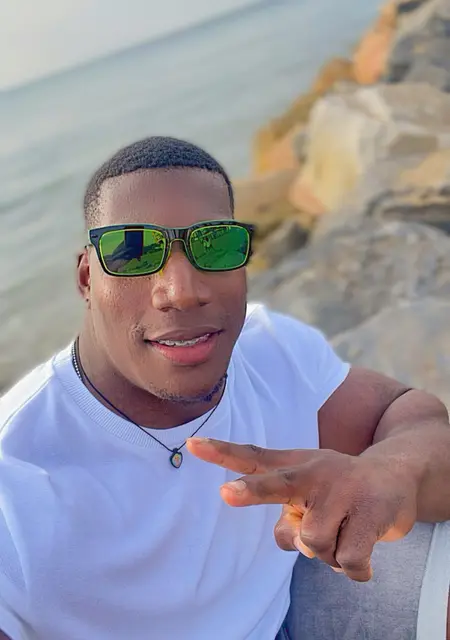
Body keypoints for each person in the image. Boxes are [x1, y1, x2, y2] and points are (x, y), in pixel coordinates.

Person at [0, 136, 449, 640]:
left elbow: (411, 414)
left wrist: (390, 475)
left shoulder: (270, 351)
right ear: (87, 278)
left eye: (214, 244)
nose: (181, 291)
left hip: (292, 612)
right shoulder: (14, 480)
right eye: (133, 251)